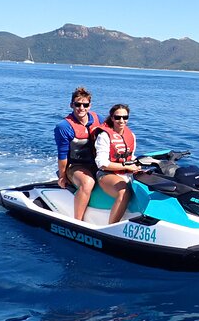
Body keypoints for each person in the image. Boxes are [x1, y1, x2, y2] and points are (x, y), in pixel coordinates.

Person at [54, 87, 102, 221]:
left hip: (97, 164)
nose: (81, 108)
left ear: (89, 106)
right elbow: (62, 155)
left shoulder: (98, 119)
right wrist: (63, 177)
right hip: (75, 167)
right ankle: (78, 221)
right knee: (87, 182)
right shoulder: (64, 127)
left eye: (85, 105)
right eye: (77, 104)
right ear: (71, 105)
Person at [93, 104, 145, 224]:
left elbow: (131, 156)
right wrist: (126, 166)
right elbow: (102, 163)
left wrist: (137, 165)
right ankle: (112, 226)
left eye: (124, 117)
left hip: (125, 173)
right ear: (112, 118)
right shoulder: (104, 136)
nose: (121, 120)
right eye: (117, 117)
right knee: (124, 192)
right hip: (106, 174)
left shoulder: (131, 135)